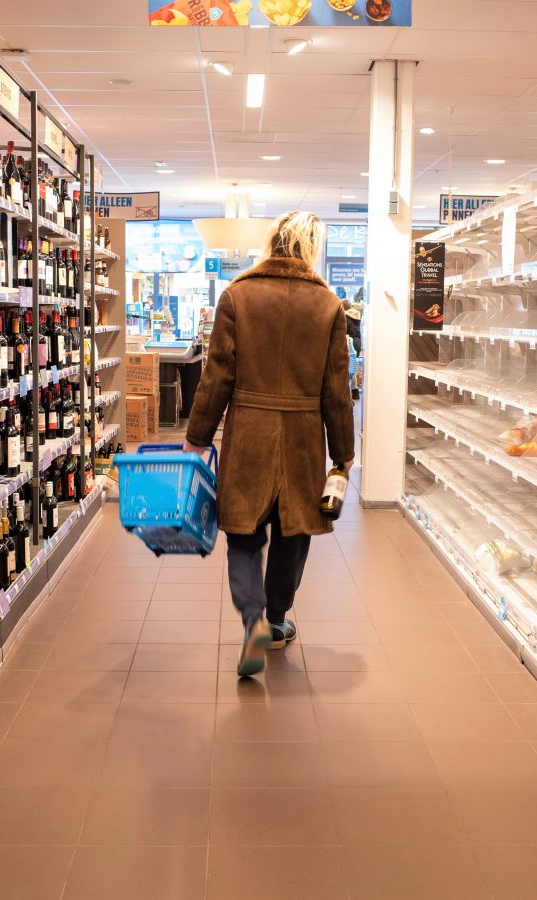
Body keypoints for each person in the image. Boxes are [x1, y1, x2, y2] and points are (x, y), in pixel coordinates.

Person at [184, 211, 356, 677]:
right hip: (302, 436)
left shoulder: (237, 295)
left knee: (243, 534)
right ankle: (278, 618)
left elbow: (216, 376)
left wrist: (198, 437)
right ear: (311, 248)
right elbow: (336, 390)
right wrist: (343, 451)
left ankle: (253, 621)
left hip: (250, 433)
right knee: (293, 531)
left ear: (272, 242)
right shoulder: (328, 306)